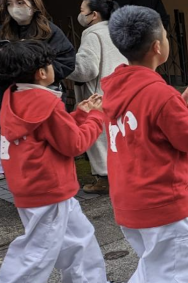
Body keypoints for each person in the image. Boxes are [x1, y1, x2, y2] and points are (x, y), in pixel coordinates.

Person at [103, 6, 188, 281]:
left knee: (152, 271)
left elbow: (149, 127)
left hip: (128, 203)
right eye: (165, 36)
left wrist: (181, 104)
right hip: (164, 205)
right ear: (157, 47)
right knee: (176, 275)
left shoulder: (114, 85)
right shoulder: (160, 94)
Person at [0, 40, 108, 283]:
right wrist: (94, 118)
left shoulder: (13, 97)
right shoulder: (47, 103)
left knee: (80, 239)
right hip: (49, 189)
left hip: (31, 187)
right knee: (37, 253)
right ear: (41, 72)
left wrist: (79, 115)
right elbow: (74, 144)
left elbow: (48, 133)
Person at [68, 0, 127, 194]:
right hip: (123, 87)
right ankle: (122, 173)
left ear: (93, 15)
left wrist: (66, 67)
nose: (80, 14)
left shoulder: (92, 34)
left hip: (100, 93)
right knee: (120, 134)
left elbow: (87, 70)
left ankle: (104, 178)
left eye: (82, 9)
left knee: (100, 136)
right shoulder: (118, 29)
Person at [1, 0, 76, 94]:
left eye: (20, 3)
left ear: (34, 4)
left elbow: (67, 62)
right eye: (9, 4)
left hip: (43, 93)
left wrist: (35, 72)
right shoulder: (3, 31)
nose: (14, 8)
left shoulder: (49, 31)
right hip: (9, 94)